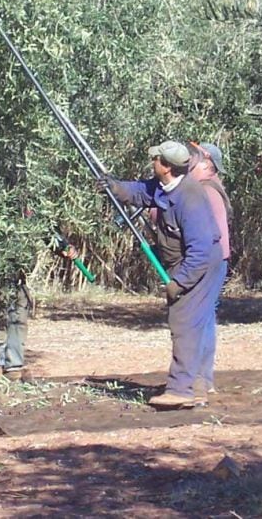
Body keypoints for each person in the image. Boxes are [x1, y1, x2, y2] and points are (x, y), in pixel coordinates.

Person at [101, 140, 222, 409]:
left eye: (155, 160)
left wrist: (179, 282)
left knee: (184, 324)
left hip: (198, 264)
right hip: (187, 262)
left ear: (166, 166)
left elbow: (200, 250)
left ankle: (181, 390)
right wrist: (115, 187)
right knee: (194, 325)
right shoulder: (165, 185)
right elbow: (141, 191)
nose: (152, 163)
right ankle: (196, 387)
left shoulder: (190, 198)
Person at [187, 142, 232, 402]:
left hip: (209, 261)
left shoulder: (205, 191)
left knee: (200, 318)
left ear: (206, 164)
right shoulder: (209, 188)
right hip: (215, 260)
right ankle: (203, 378)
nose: (189, 161)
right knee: (205, 317)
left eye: (194, 157)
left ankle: (200, 380)